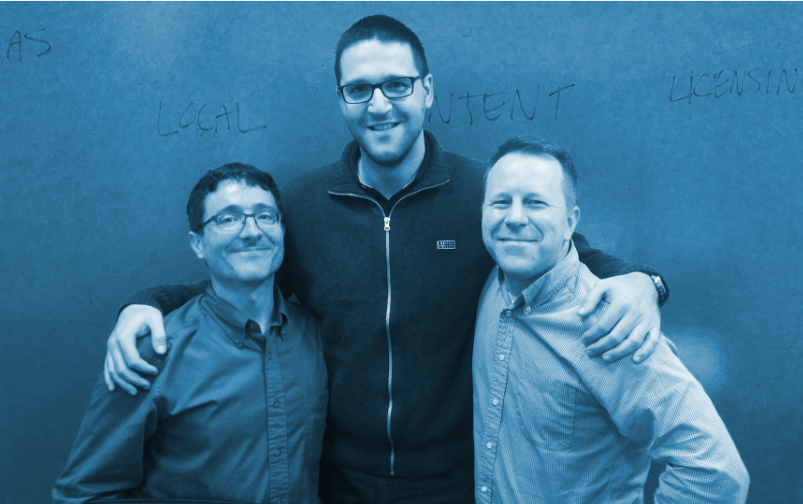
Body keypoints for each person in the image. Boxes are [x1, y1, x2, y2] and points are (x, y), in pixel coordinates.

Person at [102, 15, 669, 503]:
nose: (379, 105)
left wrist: (644, 282)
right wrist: (146, 303)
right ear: (341, 100)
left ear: (427, 90)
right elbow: (239, 284)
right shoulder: (303, 204)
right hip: (335, 483)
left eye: (397, 85)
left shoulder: (484, 195)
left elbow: (573, 254)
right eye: (359, 89)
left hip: (459, 481)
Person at [474, 137, 749, 503]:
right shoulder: (490, 284)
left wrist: (647, 283)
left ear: (570, 222)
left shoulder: (612, 325)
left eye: (536, 202)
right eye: (501, 202)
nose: (515, 218)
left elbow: (716, 471)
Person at [53, 164, 328, 504]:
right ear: (197, 243)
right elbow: (84, 495)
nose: (252, 231)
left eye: (265, 216)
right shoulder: (151, 355)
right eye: (228, 219)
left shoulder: (314, 335)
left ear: (282, 231)